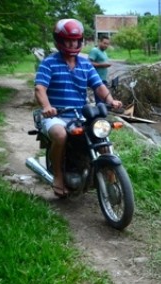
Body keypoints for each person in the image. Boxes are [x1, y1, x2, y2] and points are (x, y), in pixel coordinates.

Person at [34, 18, 122, 198]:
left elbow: (99, 86)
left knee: (102, 137)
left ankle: (111, 180)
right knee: (60, 135)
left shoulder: (85, 64)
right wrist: (47, 107)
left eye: (75, 40)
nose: (72, 43)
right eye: (68, 40)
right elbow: (40, 89)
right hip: (56, 114)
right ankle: (58, 175)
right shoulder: (49, 63)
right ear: (59, 41)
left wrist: (111, 100)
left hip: (80, 113)